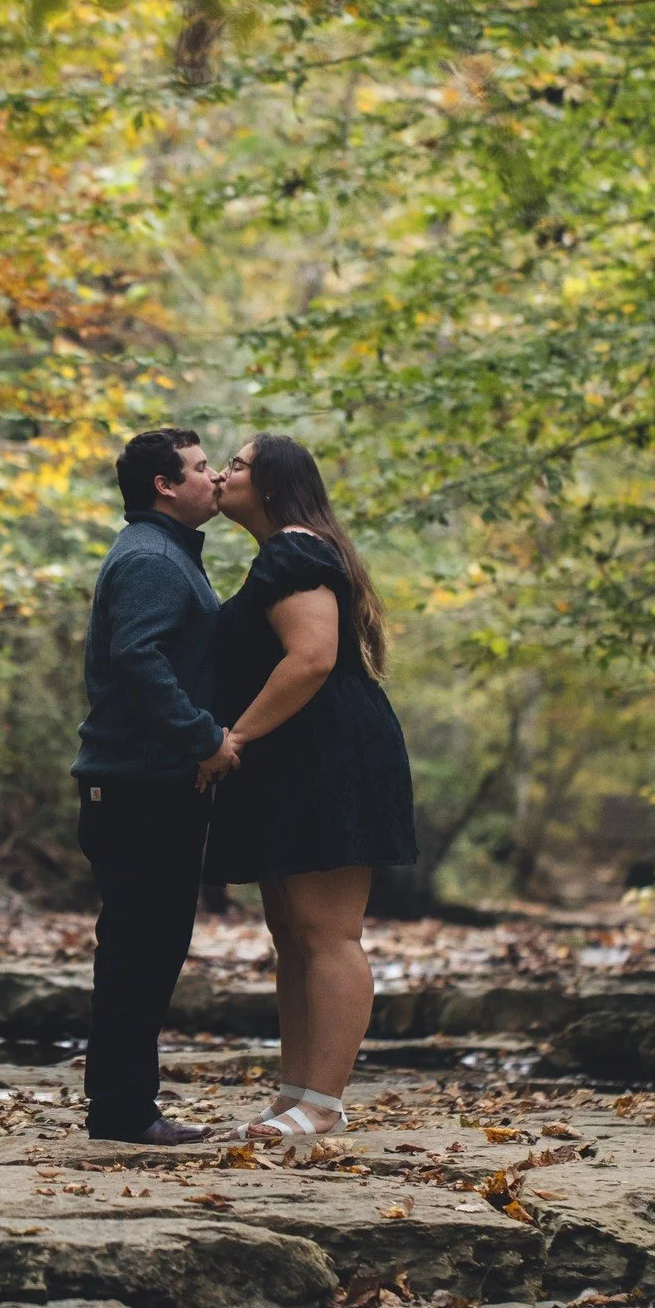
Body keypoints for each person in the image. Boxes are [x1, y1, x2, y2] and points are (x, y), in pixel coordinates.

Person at [205, 434, 417, 1140]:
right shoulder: (287, 550)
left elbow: (311, 658)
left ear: (271, 483)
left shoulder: (295, 550)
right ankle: (296, 1092)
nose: (220, 474)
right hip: (293, 756)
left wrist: (234, 736)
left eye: (234, 464)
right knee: (291, 934)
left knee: (327, 933)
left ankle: (322, 1104)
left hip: (327, 755)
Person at [73, 427, 240, 1144]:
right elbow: (139, 660)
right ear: (164, 486)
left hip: (144, 784)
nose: (214, 479)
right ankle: (121, 1112)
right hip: (136, 787)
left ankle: (125, 1106)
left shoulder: (165, 554)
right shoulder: (150, 558)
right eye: (202, 469)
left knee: (145, 949)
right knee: (139, 952)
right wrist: (204, 738)